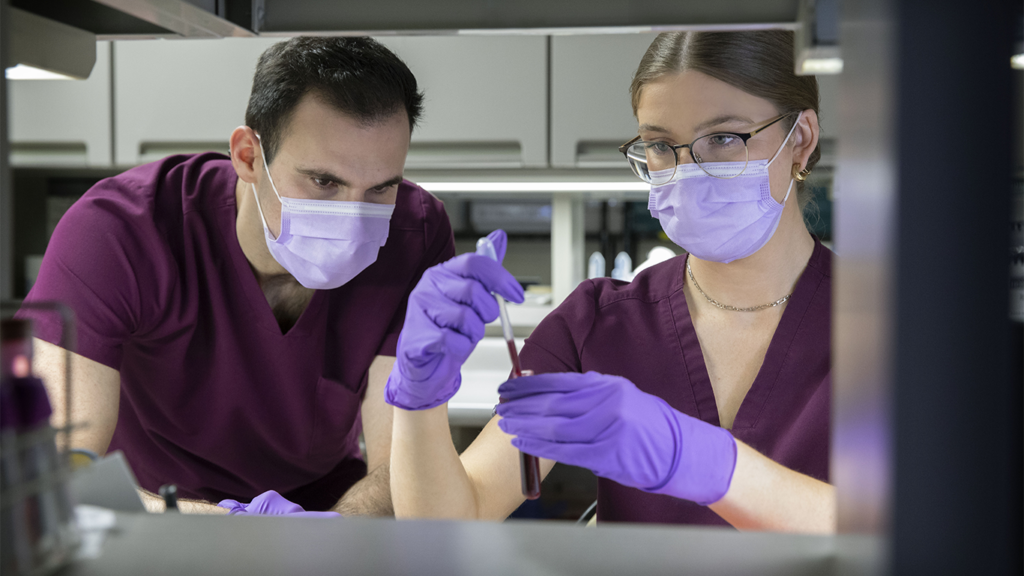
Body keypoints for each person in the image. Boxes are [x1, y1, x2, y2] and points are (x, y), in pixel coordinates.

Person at [386, 30, 834, 532]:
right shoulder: (594, 323)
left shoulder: (885, 320)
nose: (687, 171)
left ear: (800, 138)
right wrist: (419, 397)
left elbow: (914, 529)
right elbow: (450, 520)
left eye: (724, 138)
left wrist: (698, 461)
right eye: (661, 145)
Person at [19, 37, 455, 515]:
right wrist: (218, 526)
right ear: (248, 156)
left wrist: (334, 531)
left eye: (380, 188)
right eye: (323, 182)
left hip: (329, 511)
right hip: (152, 513)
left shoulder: (415, 236)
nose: (352, 220)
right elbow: (56, 469)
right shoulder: (117, 232)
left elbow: (404, 469)